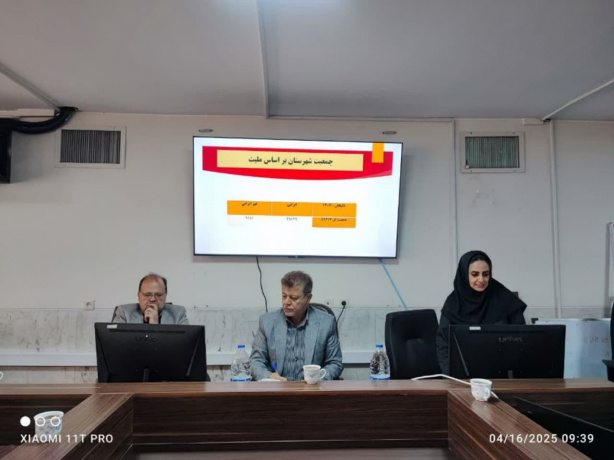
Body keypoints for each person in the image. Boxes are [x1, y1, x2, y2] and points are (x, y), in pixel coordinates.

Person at [436, 250, 527, 374]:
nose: (481, 280)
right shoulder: (453, 303)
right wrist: (451, 377)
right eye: (475, 274)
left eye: (485, 274)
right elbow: (443, 345)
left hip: (502, 374)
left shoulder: (504, 298)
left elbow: (522, 338)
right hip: (463, 375)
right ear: (464, 275)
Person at [250, 271, 343, 381]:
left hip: (312, 388)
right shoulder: (267, 322)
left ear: (308, 298)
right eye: (284, 296)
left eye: (293, 298)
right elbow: (256, 361)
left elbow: (335, 363)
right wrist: (268, 376)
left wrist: (317, 379)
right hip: (277, 387)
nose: (286, 302)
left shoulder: (326, 323)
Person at [112, 273, 188, 325]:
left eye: (158, 295)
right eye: (147, 295)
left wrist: (154, 324)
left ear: (165, 296)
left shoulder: (178, 314)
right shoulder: (124, 313)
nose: (152, 299)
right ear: (139, 296)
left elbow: (185, 342)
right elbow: (115, 340)